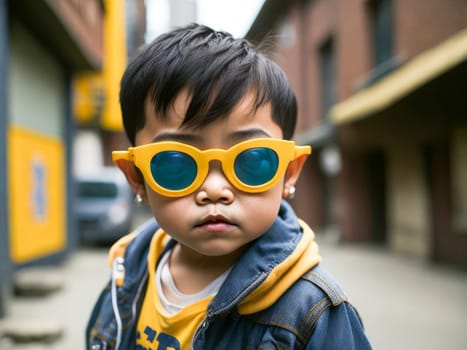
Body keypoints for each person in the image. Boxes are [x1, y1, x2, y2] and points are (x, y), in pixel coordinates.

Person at [86, 23, 372, 350]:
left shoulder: (312, 313)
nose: (215, 190)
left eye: (251, 161)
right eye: (176, 163)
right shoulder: (127, 275)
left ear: (289, 173)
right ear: (137, 177)